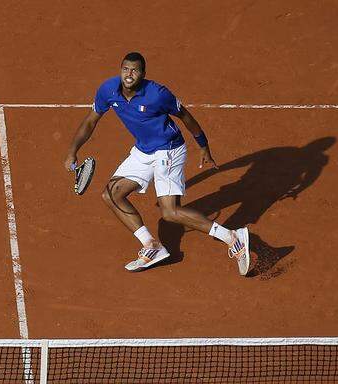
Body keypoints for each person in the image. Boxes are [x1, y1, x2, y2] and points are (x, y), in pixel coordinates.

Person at [64, 52, 250, 275]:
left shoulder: (158, 94)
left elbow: (186, 117)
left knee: (170, 213)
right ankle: (152, 246)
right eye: (125, 69)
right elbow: (90, 121)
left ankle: (233, 237)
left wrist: (203, 146)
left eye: (134, 70)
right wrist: (72, 152)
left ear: (143, 74)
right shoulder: (107, 90)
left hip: (169, 150)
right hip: (143, 150)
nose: (129, 74)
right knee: (111, 194)